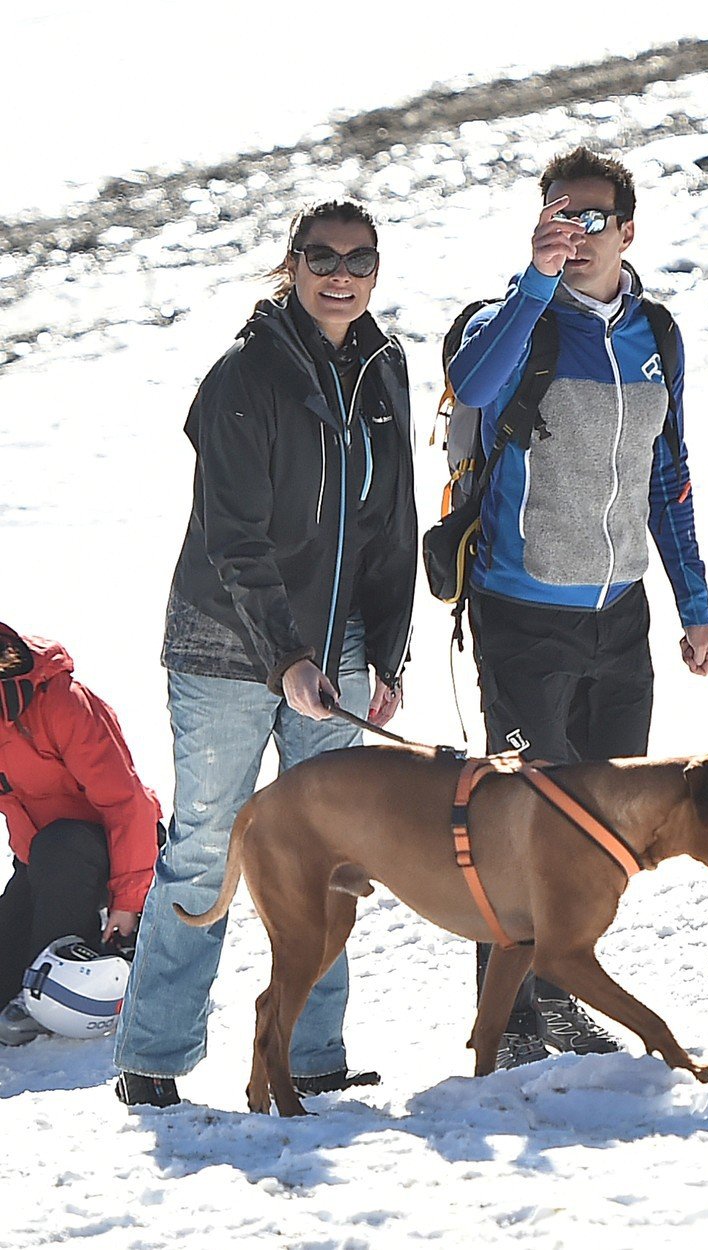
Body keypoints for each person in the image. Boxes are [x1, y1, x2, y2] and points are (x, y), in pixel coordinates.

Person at [114, 200, 417, 1108]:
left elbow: (390, 524)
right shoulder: (243, 377)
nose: (340, 273)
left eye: (358, 259)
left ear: (374, 270)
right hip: (227, 649)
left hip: (338, 647)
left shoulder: (384, 367)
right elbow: (231, 537)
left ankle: (314, 1053)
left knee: (328, 853)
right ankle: (154, 1057)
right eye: (321, 256)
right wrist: (286, 655)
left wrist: (385, 653)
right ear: (291, 265)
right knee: (209, 847)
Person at [448, 146, 708, 1069]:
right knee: (520, 819)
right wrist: (534, 283)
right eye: (559, 214)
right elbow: (473, 389)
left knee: (596, 821)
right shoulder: (506, 322)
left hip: (620, 614)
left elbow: (667, 472)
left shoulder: (658, 334)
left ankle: (558, 998)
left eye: (593, 217)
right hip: (520, 609)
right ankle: (512, 1022)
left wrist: (693, 603)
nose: (575, 230)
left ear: (628, 229)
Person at [0, 623, 161, 1045]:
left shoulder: (62, 703)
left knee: (61, 845)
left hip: (121, 849)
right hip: (46, 860)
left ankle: (50, 993)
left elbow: (129, 805)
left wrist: (127, 902)